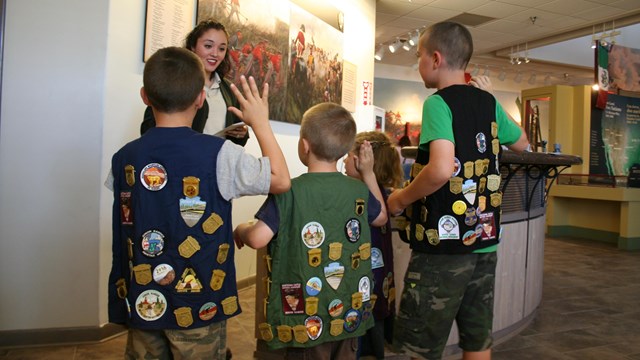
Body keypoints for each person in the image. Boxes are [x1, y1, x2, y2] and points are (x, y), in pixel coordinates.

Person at [107, 46, 290, 360]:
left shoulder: (124, 157)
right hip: (199, 303)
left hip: (143, 298)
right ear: (200, 98)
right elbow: (280, 179)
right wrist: (260, 122)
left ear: (145, 97)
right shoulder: (220, 153)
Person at [386, 22, 529, 360]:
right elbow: (522, 142)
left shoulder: (438, 104)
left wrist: (399, 198)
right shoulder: (489, 104)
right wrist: (490, 99)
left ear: (435, 59)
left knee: (418, 346)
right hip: (484, 242)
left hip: (442, 247)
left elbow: (438, 169)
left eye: (419, 56)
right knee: (478, 339)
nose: (418, 62)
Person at [233, 103, 388, 359]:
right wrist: (368, 174)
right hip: (349, 308)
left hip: (304, 315)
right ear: (345, 150)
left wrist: (241, 229)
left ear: (304, 146)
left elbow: (259, 237)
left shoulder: (289, 191)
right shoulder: (358, 190)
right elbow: (381, 217)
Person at [140, 19, 249, 146]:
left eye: (222, 49)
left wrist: (242, 133)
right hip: (184, 161)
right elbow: (149, 129)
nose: (215, 54)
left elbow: (237, 135)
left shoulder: (229, 89)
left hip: (218, 162)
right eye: (208, 46)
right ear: (193, 46)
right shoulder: (174, 80)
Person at [344, 132, 404, 360]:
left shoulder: (380, 195)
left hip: (371, 286)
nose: (344, 161)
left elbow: (381, 214)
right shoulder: (358, 190)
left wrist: (367, 174)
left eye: (349, 157)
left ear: (365, 160)